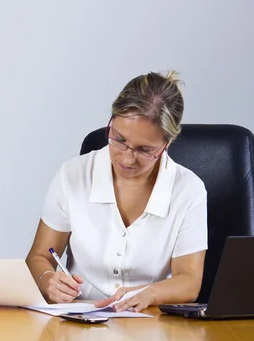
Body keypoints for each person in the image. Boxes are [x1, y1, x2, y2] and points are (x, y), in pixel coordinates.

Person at [26, 71, 207, 312]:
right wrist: (48, 280)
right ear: (111, 121)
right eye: (119, 139)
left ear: (168, 142)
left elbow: (189, 281)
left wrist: (149, 293)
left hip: (152, 324)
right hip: (81, 319)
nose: (128, 158)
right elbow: (39, 257)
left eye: (144, 149)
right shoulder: (73, 175)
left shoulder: (188, 190)